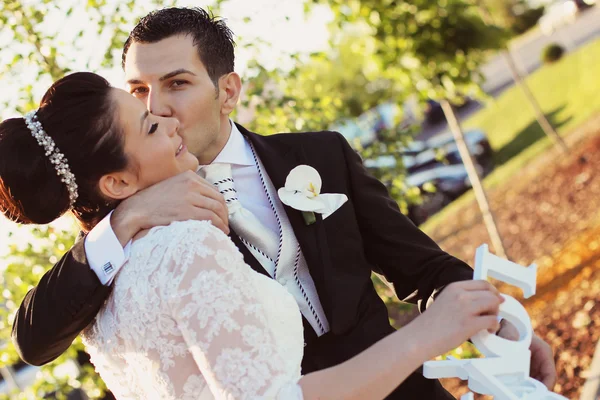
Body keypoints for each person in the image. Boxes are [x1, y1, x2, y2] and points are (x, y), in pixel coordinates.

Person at [10, 7, 556, 399]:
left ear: (228, 91)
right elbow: (33, 338)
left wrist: (501, 322)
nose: (159, 107)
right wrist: (127, 218)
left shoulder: (321, 156)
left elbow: (422, 268)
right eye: (138, 92)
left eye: (176, 83)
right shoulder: (130, 228)